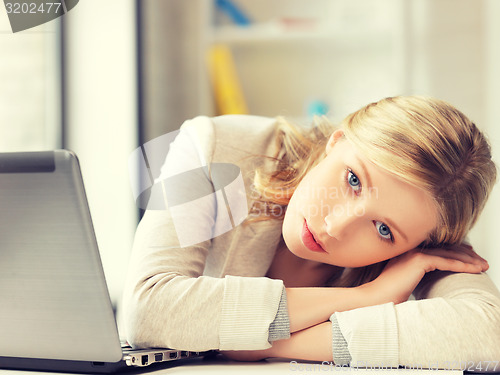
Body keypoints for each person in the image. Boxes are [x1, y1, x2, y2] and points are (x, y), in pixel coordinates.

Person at [122, 95, 500, 370]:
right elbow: (147, 311)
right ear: (336, 142)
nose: (335, 226)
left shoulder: (427, 222)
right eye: (353, 179)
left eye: (383, 230)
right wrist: (368, 297)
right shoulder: (215, 147)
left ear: (417, 244)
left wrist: (273, 344)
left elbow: (489, 336)